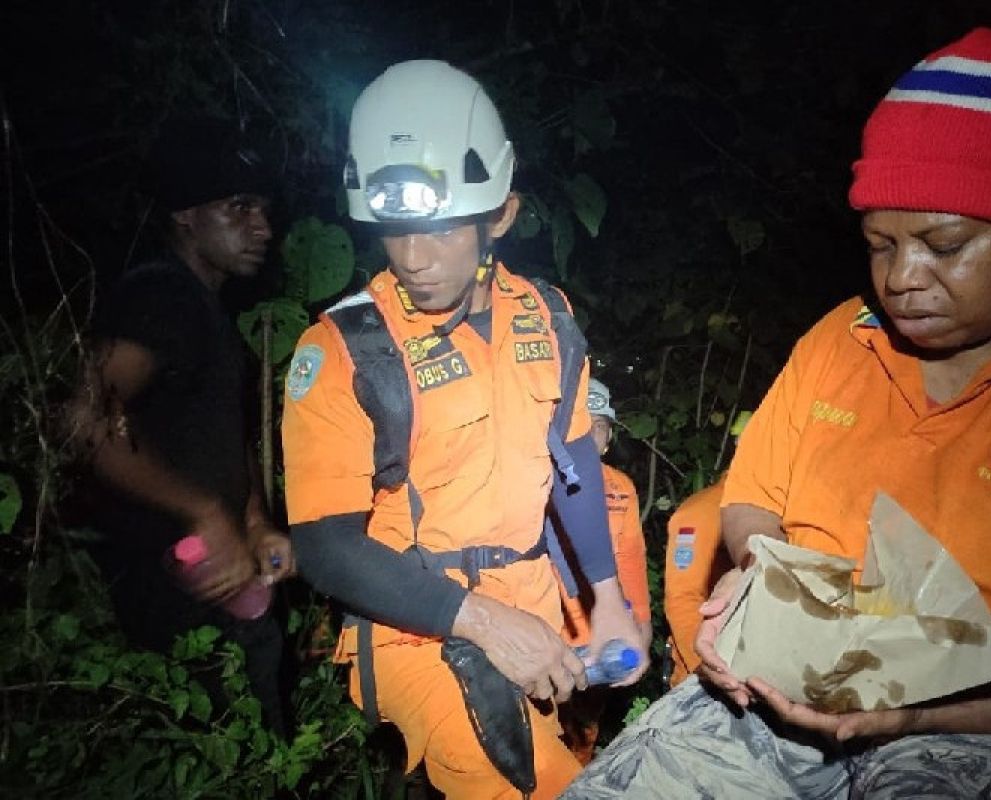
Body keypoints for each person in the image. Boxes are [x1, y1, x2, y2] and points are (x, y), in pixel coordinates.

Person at [563, 25, 991, 799]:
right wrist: (763, 581)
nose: (902, 279)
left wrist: (914, 714)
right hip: (790, 687)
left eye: (943, 243)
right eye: (880, 243)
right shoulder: (844, 340)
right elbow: (754, 498)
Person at [280, 60, 648, 799]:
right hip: (420, 625)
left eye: (440, 228)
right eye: (395, 231)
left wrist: (606, 597)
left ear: (499, 217)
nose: (414, 258)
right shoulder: (347, 350)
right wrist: (482, 623)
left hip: (539, 602)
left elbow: (574, 457)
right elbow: (322, 547)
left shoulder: (547, 315)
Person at [70, 116, 296, 735]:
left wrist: (250, 518)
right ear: (186, 215)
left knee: (258, 738)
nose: (263, 229)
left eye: (264, 210)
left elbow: (222, 432)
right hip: (169, 583)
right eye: (239, 208)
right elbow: (85, 425)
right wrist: (203, 513)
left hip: (220, 577)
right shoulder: (160, 298)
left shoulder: (207, 309)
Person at [556, 378, 653, 764]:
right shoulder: (539, 478)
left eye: (600, 425)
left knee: (584, 728)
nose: (591, 432)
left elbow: (630, 555)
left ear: (609, 438)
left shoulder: (620, 488)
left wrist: (642, 624)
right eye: (583, 422)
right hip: (549, 631)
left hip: (601, 635)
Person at [661, 410, 747, 687]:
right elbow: (683, 598)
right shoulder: (703, 511)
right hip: (703, 678)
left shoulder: (780, 512)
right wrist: (708, 670)